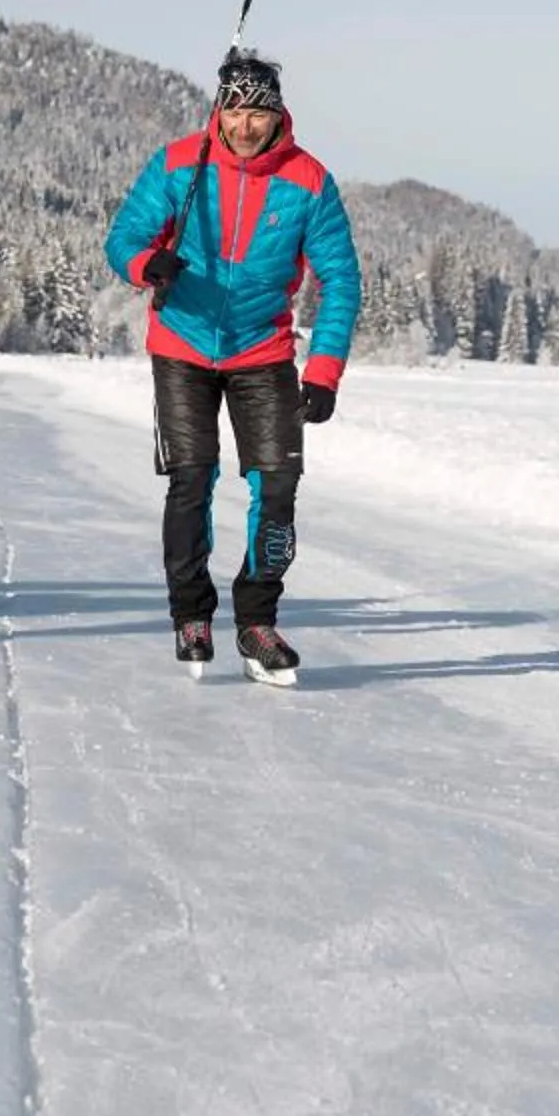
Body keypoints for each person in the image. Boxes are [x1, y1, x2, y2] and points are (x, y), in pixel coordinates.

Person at [101, 50, 360, 687]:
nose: (245, 126)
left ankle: (257, 621)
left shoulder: (309, 182)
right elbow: (124, 236)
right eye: (235, 110)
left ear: (278, 115)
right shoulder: (179, 163)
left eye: (258, 113)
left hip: (262, 351)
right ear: (220, 108)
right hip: (182, 345)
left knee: (277, 485)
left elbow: (342, 280)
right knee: (192, 478)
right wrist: (146, 265)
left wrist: (323, 370)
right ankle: (191, 615)